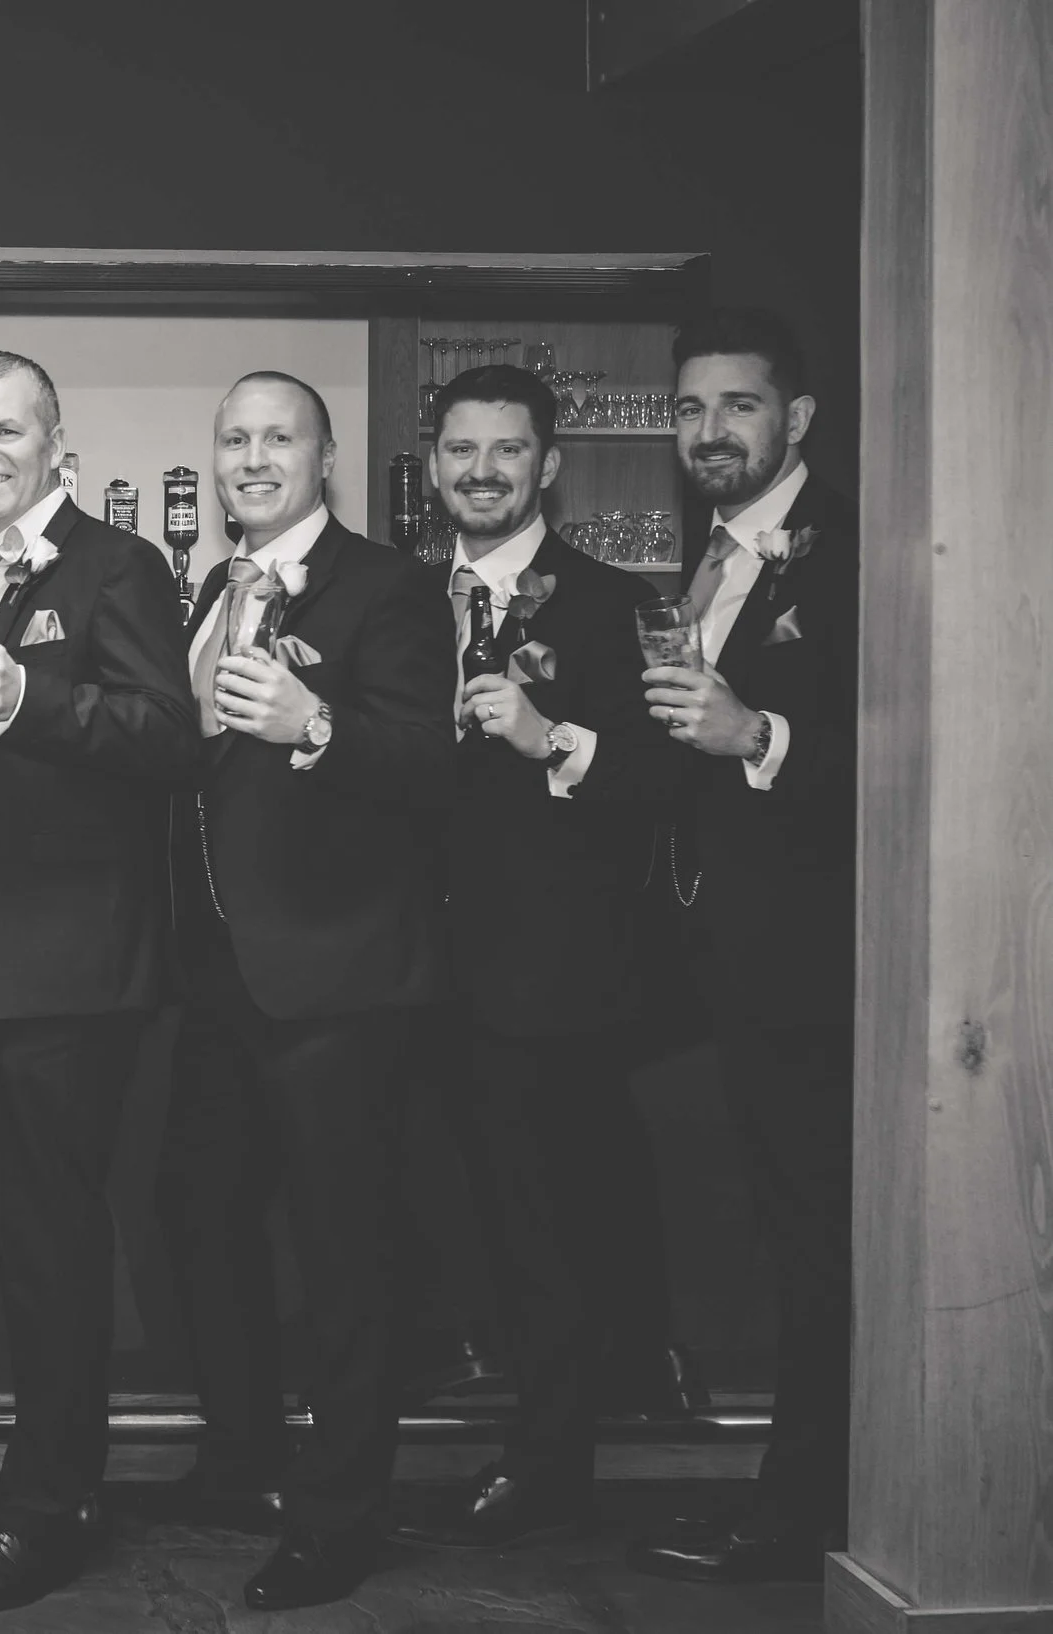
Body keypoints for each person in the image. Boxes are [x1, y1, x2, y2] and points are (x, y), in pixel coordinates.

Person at [0, 351, 196, 1614]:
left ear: (53, 438)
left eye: (2, 431)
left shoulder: (115, 566)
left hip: (68, 973)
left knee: (57, 1244)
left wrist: (29, 693)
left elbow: (168, 738)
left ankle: (53, 1502)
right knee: (18, 1242)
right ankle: (43, 1463)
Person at [158, 372, 451, 1610]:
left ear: (325, 458)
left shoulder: (387, 586)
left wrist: (313, 720)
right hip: (214, 975)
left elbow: (425, 761)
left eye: (279, 437)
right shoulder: (204, 589)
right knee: (199, 1216)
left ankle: (339, 1513)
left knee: (343, 1255)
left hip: (337, 976)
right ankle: (241, 1460)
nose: (252, 457)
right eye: (234, 439)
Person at [391, 366, 682, 1549]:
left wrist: (547, 734)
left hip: (553, 978)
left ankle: (551, 1461)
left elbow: (668, 786)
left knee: (548, 1224)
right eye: (461, 450)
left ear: (547, 464)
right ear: (434, 465)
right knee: (456, 1211)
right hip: (415, 970)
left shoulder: (620, 603)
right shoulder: (400, 602)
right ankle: (471, 1401)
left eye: (506, 450)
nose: (481, 471)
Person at [627, 308, 858, 1584]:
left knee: (817, 1241)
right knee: (778, 1235)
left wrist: (757, 735)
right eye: (690, 409)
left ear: (797, 420)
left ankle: (804, 1511)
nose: (709, 430)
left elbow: (923, 755)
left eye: (738, 407)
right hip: (715, 963)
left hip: (815, 972)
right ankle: (795, 1490)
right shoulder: (709, 556)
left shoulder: (853, 556)